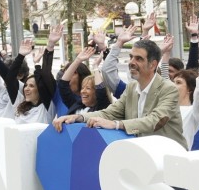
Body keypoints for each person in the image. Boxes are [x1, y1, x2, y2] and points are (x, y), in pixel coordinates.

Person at [58, 35, 187, 149]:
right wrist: (78, 117)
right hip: (142, 157)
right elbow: (110, 112)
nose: (131, 62)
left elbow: (155, 121)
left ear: (153, 65)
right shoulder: (131, 88)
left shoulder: (168, 89)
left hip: (170, 158)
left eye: (139, 59)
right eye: (131, 57)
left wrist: (116, 124)